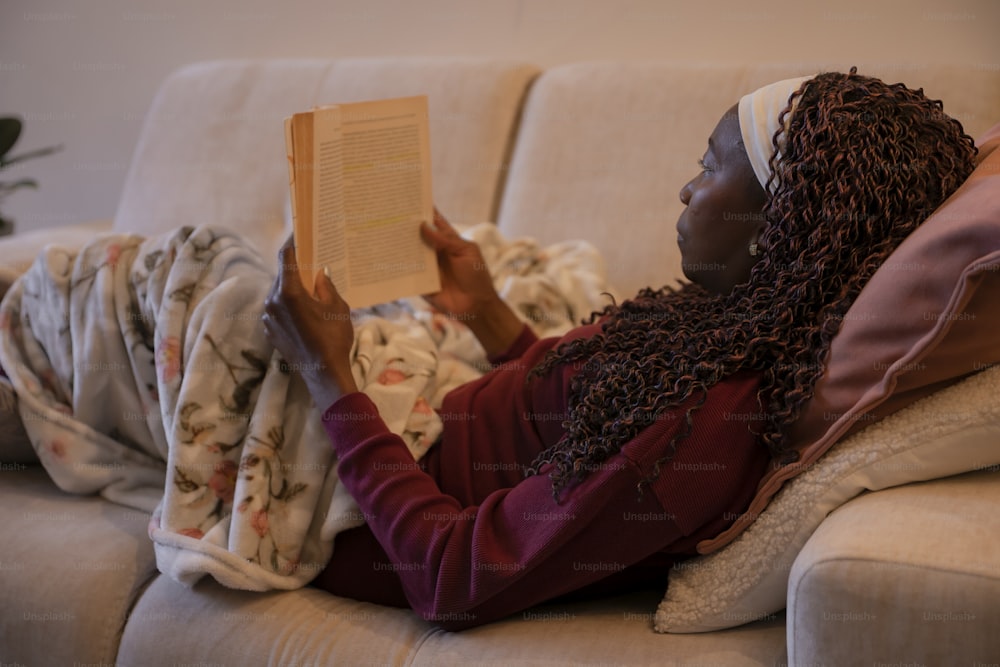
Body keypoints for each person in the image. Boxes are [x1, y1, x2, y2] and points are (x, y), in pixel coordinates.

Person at [262, 68, 977, 630]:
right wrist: (487, 313)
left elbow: (452, 577)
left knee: (216, 286)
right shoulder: (745, 325)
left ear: (780, 226)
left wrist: (327, 372)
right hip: (412, 419)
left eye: (707, 167)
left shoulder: (700, 432)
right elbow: (574, 416)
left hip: (364, 511)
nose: (686, 188)